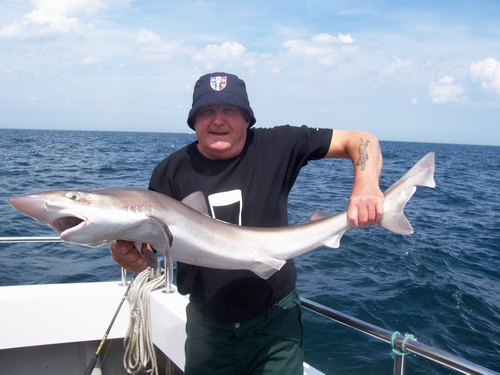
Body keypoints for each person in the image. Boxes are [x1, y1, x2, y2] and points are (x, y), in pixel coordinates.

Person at [110, 72, 384, 375]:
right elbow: (151, 248)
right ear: (193, 121)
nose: (218, 120)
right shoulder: (170, 171)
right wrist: (134, 256)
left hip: (275, 320)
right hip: (208, 326)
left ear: (247, 118)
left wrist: (367, 185)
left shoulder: (278, 144)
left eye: (229, 110)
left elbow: (360, 139)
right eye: (206, 112)